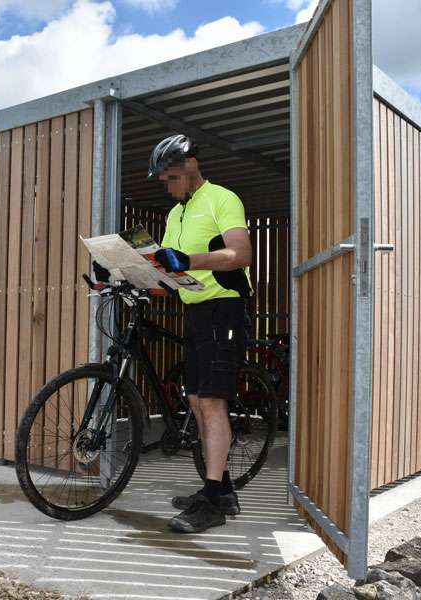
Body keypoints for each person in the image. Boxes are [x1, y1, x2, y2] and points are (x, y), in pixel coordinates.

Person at [151, 134, 253, 533]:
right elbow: (168, 271)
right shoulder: (175, 213)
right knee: (195, 399)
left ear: (191, 165)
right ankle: (221, 489)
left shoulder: (222, 199)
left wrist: (190, 258)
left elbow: (241, 254)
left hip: (225, 308)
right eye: (163, 179)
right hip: (194, 310)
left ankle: (211, 503)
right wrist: (122, 275)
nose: (167, 184)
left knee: (211, 404)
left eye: (171, 176)